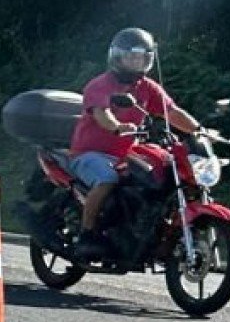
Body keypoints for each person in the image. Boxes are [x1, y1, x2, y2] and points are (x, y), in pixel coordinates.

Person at [67, 28, 206, 259]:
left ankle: (144, 231)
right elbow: (102, 114)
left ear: (148, 59)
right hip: (90, 153)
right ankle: (87, 233)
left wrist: (199, 130)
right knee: (107, 179)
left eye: (140, 57)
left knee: (162, 172)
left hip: (125, 153)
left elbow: (171, 112)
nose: (135, 62)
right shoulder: (100, 84)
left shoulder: (147, 87)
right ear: (117, 57)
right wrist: (117, 127)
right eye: (130, 57)